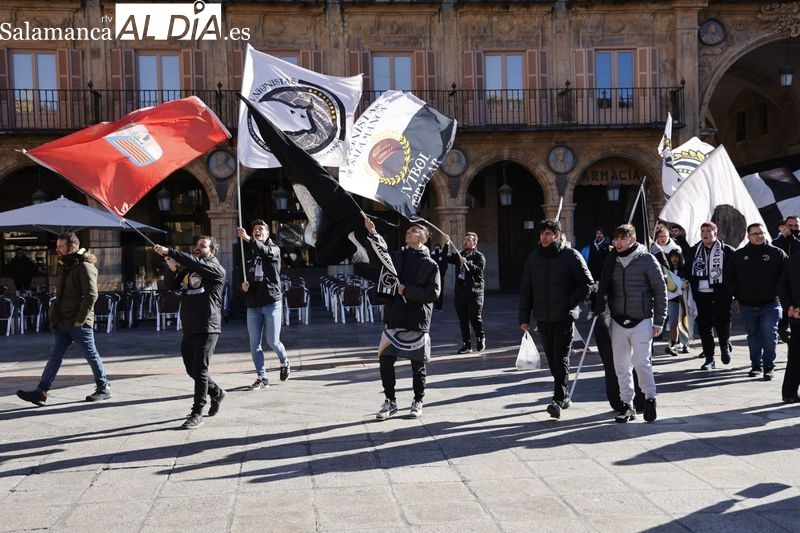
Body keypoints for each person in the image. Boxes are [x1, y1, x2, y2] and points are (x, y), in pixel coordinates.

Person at [16, 233, 111, 406]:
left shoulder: (84, 266)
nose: (57, 249)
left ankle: (103, 387)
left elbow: (91, 295)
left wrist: (79, 320)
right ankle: (41, 392)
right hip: (61, 321)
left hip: (77, 321)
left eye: (61, 246)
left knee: (90, 354)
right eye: (57, 246)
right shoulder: (67, 266)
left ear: (72, 247)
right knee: (55, 357)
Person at [519, 218, 593, 419]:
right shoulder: (533, 258)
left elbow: (587, 283)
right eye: (542, 233)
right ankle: (565, 393)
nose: (544, 237)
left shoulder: (571, 256)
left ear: (557, 235)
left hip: (564, 317)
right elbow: (526, 290)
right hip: (542, 317)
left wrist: (569, 303)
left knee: (561, 357)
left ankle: (558, 399)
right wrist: (524, 317)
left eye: (548, 234)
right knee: (552, 358)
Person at [368, 219, 440, 420]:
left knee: (418, 365)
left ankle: (418, 401)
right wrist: (373, 233)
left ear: (423, 238)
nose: (409, 232)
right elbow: (381, 256)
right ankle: (390, 401)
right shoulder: (397, 257)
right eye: (408, 230)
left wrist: (407, 290)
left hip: (416, 319)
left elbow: (433, 293)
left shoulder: (430, 264)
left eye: (414, 230)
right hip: (394, 316)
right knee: (385, 361)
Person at [594, 224, 666, 423]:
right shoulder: (612, 261)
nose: (618, 243)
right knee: (621, 365)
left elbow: (660, 292)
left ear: (632, 239)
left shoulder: (647, 260)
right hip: (618, 320)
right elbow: (604, 284)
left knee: (641, 363)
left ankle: (650, 398)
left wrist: (659, 320)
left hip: (641, 319)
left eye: (622, 238)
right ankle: (627, 404)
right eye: (615, 239)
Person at [153, 236, 226, 430]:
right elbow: (171, 286)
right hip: (189, 326)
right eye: (196, 245)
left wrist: (171, 251)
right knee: (191, 369)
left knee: (200, 369)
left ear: (212, 251)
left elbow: (193, 262)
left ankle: (196, 413)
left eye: (203, 246)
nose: (197, 248)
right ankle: (217, 392)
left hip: (208, 326)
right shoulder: (190, 269)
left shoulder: (215, 269)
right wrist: (172, 266)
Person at [725, 223, 787, 380]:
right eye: (755, 234)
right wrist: (736, 294)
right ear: (748, 236)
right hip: (747, 304)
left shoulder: (776, 253)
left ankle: (769, 367)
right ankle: (756, 366)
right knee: (753, 335)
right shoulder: (739, 255)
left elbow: (787, 275)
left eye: (761, 233)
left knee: (769, 332)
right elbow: (728, 277)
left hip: (771, 303)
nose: (759, 236)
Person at [237, 219, 290, 390]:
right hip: (253, 303)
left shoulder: (274, 249)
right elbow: (244, 274)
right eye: (255, 230)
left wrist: (248, 239)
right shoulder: (249, 253)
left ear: (268, 234)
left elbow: (265, 251)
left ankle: (284, 361)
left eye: (261, 229)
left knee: (273, 341)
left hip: (271, 301)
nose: (257, 231)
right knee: (254, 343)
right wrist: (243, 285)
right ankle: (262, 377)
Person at [686, 221, 735, 370]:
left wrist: (733, 292)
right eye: (702, 231)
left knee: (723, 321)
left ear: (716, 233)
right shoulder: (694, 251)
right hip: (701, 295)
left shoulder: (727, 251)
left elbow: (734, 273)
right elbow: (687, 270)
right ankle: (709, 357)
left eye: (708, 231)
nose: (705, 234)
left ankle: (724, 346)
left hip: (721, 293)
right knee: (704, 326)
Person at [444, 231, 486, 353]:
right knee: (463, 319)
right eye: (465, 239)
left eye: (469, 239)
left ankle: (480, 337)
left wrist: (467, 263)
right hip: (461, 292)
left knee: (474, 317)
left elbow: (479, 271)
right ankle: (467, 344)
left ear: (474, 242)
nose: (465, 241)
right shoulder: (460, 255)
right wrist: (446, 244)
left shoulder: (479, 256)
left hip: (474, 292)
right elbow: (447, 258)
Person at [772, 215, 799, 344]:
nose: (793, 228)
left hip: (796, 284)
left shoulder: (796, 239)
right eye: (790, 226)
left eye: (796, 226)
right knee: (783, 317)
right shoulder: (778, 240)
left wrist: (791, 237)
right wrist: (784, 237)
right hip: (782, 282)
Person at [778, 250, 800, 403]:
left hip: (796, 315)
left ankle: (789, 393)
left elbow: (782, 285)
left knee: (796, 355)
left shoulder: (794, 257)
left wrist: (790, 306)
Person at [664, 249, 690, 355]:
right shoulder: (667, 270)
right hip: (671, 300)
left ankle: (685, 345)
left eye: (677, 256)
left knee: (683, 322)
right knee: (673, 321)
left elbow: (688, 283)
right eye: (672, 257)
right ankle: (672, 344)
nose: (674, 259)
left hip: (683, 299)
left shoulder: (685, 269)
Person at [430, 243, 448, 311]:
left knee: (440, 291)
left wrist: (446, 244)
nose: (437, 250)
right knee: (434, 291)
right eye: (436, 248)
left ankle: (439, 306)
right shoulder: (432, 255)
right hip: (433, 276)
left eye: (438, 248)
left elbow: (445, 253)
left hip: (441, 276)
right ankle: (436, 305)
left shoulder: (442, 255)